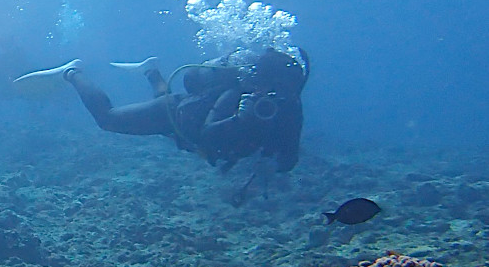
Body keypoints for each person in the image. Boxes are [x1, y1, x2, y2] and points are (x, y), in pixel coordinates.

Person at [17, 48, 306, 174]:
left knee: (163, 102)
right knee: (108, 119)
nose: (277, 96)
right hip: (178, 113)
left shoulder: (290, 109)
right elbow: (210, 133)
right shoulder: (237, 95)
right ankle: (72, 72)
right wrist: (243, 117)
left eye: (286, 91)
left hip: (186, 129)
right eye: (277, 87)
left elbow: (288, 158)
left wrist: (277, 159)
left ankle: (150, 70)